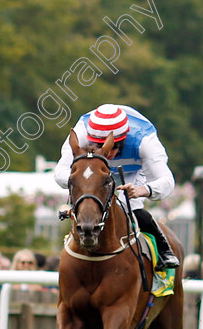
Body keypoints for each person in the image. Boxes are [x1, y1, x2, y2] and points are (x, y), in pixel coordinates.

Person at [54, 104, 180, 270]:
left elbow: (167, 181)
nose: (106, 152)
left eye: (111, 147)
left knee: (130, 205)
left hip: (133, 171)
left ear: (122, 141)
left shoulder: (145, 140)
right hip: (95, 170)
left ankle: (164, 249)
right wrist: (82, 182)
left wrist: (142, 190)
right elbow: (60, 173)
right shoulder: (81, 131)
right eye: (97, 145)